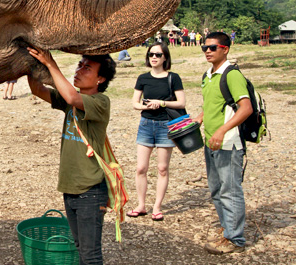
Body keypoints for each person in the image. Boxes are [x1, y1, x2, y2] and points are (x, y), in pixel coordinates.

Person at [27, 48, 116, 265]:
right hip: (70, 187)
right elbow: (37, 89)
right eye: (79, 65)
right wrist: (28, 63)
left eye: (87, 68)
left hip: (90, 190)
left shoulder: (100, 102)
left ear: (101, 78)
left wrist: (51, 64)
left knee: (90, 254)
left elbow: (72, 97)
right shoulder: (71, 101)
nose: (79, 70)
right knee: (79, 247)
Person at [192, 32, 252, 255]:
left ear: (225, 49)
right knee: (217, 189)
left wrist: (222, 130)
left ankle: (235, 239)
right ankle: (228, 229)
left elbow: (246, 108)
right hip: (211, 142)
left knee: (230, 190)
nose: (207, 51)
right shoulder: (207, 75)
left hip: (228, 142)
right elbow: (214, 104)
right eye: (204, 48)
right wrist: (200, 117)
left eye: (212, 47)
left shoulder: (232, 75)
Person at [127, 43, 185, 222]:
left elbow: (181, 102)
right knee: (141, 168)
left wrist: (162, 103)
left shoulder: (173, 77)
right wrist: (145, 106)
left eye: (158, 55)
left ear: (165, 57)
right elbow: (135, 103)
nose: (154, 57)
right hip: (146, 124)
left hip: (166, 125)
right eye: (151, 54)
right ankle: (141, 205)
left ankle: (157, 207)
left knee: (162, 168)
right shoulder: (143, 78)